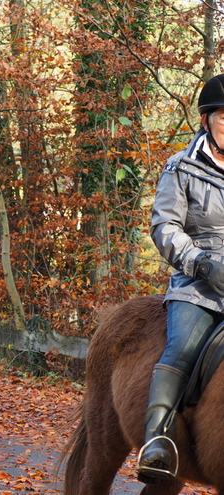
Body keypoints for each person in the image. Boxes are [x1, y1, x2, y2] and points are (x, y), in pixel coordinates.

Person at [138, 73, 224, 483]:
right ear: (207, 120)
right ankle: (157, 441)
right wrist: (202, 263)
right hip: (200, 286)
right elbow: (165, 227)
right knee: (181, 349)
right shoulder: (181, 166)